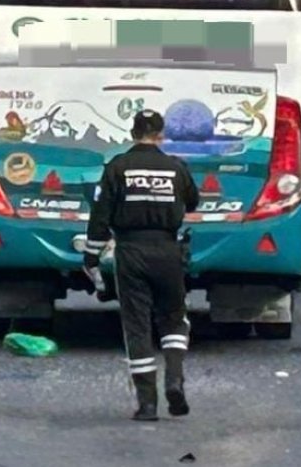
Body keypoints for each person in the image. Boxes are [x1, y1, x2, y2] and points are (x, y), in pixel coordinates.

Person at [85, 109, 199, 422]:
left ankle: (147, 404)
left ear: (133, 133)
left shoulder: (117, 167)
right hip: (167, 249)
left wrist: (91, 256)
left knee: (137, 325)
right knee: (174, 319)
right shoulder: (176, 167)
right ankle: (174, 378)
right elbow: (193, 201)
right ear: (160, 135)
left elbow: (101, 216)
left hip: (130, 251)